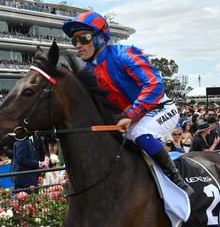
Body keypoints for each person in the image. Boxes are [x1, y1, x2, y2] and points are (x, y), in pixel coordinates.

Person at [62, 11, 193, 195]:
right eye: (74, 41)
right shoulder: (89, 71)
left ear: (100, 38)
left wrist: (130, 115)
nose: (78, 45)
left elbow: (154, 84)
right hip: (133, 117)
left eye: (83, 38)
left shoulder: (124, 54)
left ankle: (177, 181)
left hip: (160, 108)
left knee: (140, 133)